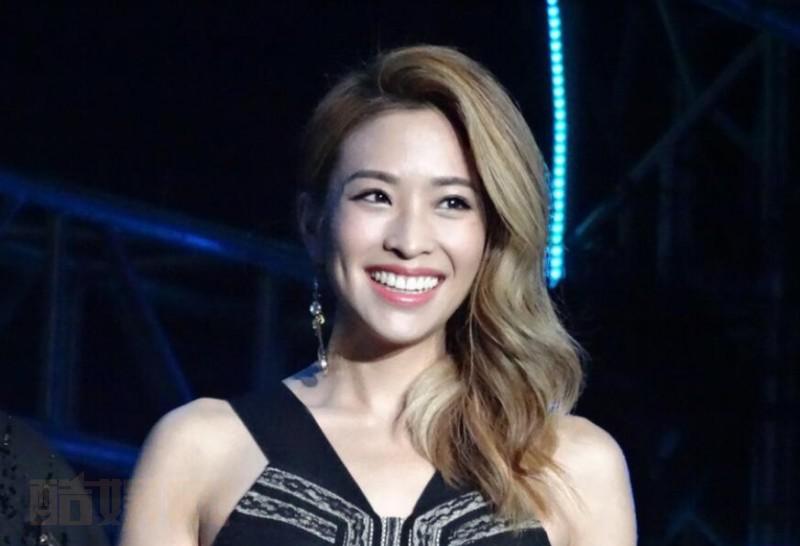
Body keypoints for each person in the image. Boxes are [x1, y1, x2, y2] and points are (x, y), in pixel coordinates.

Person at [118, 45, 636, 546]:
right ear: (314, 222)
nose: (409, 241)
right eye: (376, 196)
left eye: (453, 203)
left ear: (491, 234)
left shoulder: (573, 467)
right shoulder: (200, 451)